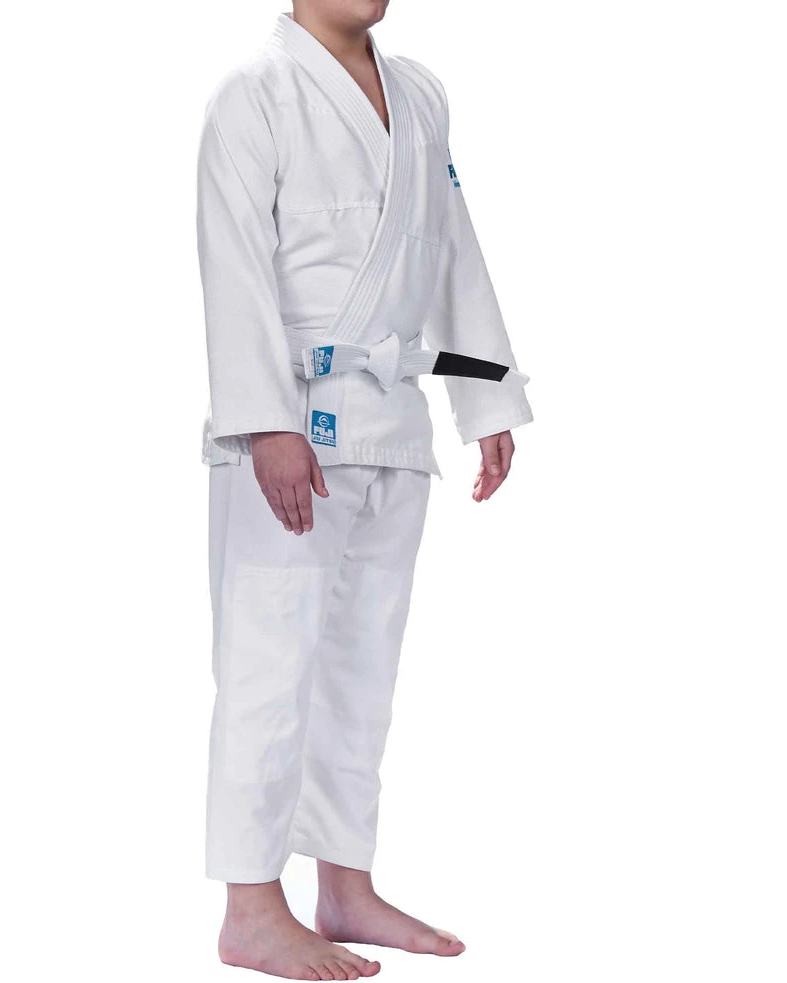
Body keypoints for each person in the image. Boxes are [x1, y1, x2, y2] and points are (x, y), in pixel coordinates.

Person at [196, 2, 532, 978]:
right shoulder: (253, 94)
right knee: (267, 667)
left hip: (392, 425)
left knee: (361, 672)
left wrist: (486, 393)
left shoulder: (420, 94)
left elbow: (449, 245)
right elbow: (231, 264)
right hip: (292, 427)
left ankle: (345, 886)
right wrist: (266, 422)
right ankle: (251, 906)